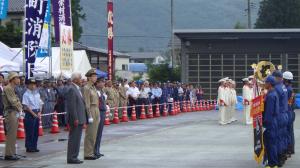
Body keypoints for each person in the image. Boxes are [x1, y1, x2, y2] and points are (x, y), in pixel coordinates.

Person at [66, 73, 87, 164]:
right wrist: (75, 118)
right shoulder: (72, 89)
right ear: (75, 80)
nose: (81, 80)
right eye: (80, 78)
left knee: (77, 139)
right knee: (74, 139)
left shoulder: (77, 89)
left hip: (80, 117)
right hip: (76, 118)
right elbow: (72, 106)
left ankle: (74, 156)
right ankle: (71, 157)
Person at [2, 72, 23, 160]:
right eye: (17, 78)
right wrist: (20, 108)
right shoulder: (8, 88)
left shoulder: (12, 88)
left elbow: (17, 100)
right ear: (12, 79)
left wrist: (19, 108)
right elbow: (13, 101)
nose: (19, 79)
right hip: (11, 113)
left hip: (14, 113)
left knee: (13, 134)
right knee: (11, 134)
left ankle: (12, 153)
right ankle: (9, 154)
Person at [83, 69, 100, 160]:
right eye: (94, 76)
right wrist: (89, 115)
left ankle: (91, 152)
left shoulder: (93, 87)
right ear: (89, 77)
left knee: (94, 133)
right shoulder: (86, 88)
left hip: (96, 109)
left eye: (96, 76)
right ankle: (88, 153)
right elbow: (87, 103)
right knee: (90, 133)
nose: (95, 77)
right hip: (91, 109)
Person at [272, 70, 289, 166]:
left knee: (277, 138)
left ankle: (279, 157)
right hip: (285, 114)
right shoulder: (283, 86)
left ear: (277, 78)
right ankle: (283, 154)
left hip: (279, 115)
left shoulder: (277, 88)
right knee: (282, 136)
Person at [22, 78, 43, 153]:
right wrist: (33, 114)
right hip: (30, 113)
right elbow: (26, 106)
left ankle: (34, 146)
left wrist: (40, 111)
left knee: (35, 131)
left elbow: (40, 103)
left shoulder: (37, 93)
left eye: (34, 84)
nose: (33, 86)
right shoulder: (26, 94)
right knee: (30, 131)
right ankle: (29, 147)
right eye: (31, 84)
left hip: (37, 112)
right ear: (28, 85)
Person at [263, 75, 279, 168]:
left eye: (266, 82)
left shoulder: (271, 95)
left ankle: (272, 164)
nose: (265, 84)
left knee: (270, 144)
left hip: (270, 123)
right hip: (274, 121)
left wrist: (265, 124)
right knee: (272, 143)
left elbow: (269, 112)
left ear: (269, 84)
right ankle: (273, 163)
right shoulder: (273, 93)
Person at [283, 71, 295, 156]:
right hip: (291, 111)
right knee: (290, 132)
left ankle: (289, 149)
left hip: (288, 112)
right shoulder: (291, 88)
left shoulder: (287, 89)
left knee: (287, 132)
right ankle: (291, 148)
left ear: (286, 80)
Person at [94, 78, 107, 158]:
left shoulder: (102, 91)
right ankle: (94, 151)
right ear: (97, 83)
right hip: (98, 112)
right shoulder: (95, 91)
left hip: (102, 112)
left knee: (100, 133)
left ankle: (97, 150)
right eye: (102, 82)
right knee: (96, 132)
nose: (103, 84)